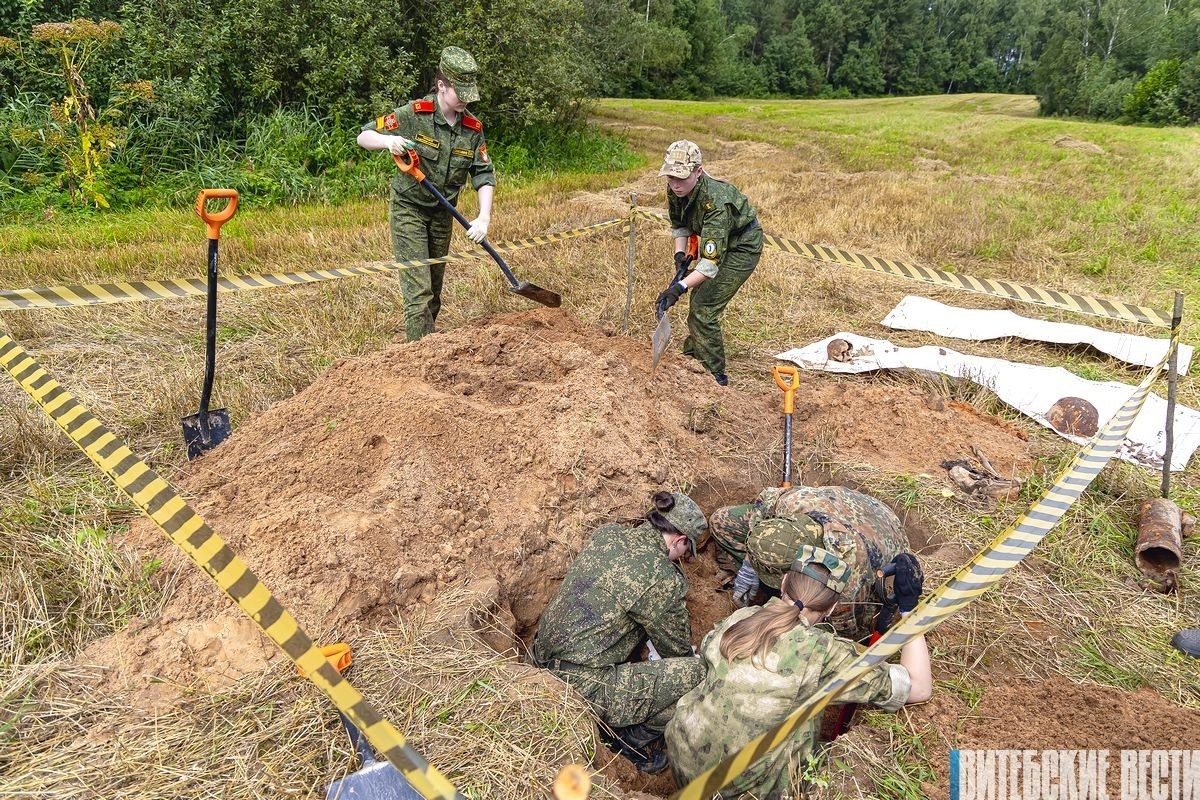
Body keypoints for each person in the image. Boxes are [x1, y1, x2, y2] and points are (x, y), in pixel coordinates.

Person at [665, 547, 932, 799]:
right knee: (810, 721)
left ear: (783, 584)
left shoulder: (743, 616)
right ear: (831, 608)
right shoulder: (823, 652)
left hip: (683, 760)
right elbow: (918, 687)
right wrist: (908, 609)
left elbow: (707, 649)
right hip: (738, 792)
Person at [530, 491, 708, 773]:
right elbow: (676, 650)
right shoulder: (662, 577)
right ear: (679, 540)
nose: (683, 557)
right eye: (686, 549)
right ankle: (626, 739)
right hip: (578, 688)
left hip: (537, 659)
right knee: (698, 675)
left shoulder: (608, 534)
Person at [357, 46, 495, 342]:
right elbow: (364, 135)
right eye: (460, 93)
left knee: (433, 293)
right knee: (418, 294)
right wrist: (388, 142)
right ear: (442, 85)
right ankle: (418, 359)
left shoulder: (472, 129)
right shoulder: (414, 114)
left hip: (443, 214)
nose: (466, 100)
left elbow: (483, 173)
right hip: (410, 209)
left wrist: (483, 218)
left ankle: (426, 349)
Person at [712, 485, 910, 642]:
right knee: (721, 521)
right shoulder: (790, 502)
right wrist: (751, 561)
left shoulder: (843, 577)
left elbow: (847, 634)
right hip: (848, 506)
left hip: (885, 532)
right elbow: (764, 502)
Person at [655, 140, 763, 387]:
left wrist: (679, 287)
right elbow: (679, 225)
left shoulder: (715, 202)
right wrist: (680, 257)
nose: (675, 184)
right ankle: (694, 358)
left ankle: (715, 377)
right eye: (671, 177)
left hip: (742, 247)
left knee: (703, 307)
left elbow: (710, 263)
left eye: (681, 177)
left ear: (698, 171)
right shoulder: (675, 189)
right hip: (718, 241)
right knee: (699, 299)